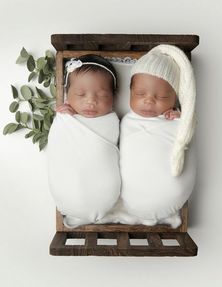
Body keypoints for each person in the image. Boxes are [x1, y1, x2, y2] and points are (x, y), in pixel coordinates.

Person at [119, 44, 197, 228]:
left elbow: (186, 137)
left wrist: (181, 120)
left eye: (161, 97)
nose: (148, 100)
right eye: (140, 94)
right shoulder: (126, 122)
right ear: (129, 92)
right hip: (134, 194)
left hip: (171, 192)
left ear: (174, 98)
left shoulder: (176, 121)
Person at [47, 55, 121, 228]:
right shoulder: (66, 120)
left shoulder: (112, 121)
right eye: (80, 94)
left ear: (114, 97)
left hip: (104, 191)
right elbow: (59, 150)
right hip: (68, 188)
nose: (91, 101)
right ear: (67, 95)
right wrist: (68, 120)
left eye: (102, 95)